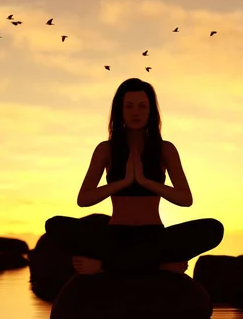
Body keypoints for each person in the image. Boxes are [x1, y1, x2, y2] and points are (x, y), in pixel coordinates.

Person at [45, 77, 224, 275]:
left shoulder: (165, 149)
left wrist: (146, 182)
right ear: (120, 111)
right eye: (129, 106)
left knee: (214, 228)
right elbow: (84, 199)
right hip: (116, 235)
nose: (136, 112)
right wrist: (124, 182)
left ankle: (106, 266)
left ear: (151, 111)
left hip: (154, 235)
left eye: (142, 106)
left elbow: (185, 199)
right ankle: (157, 265)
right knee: (54, 224)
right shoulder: (105, 150)